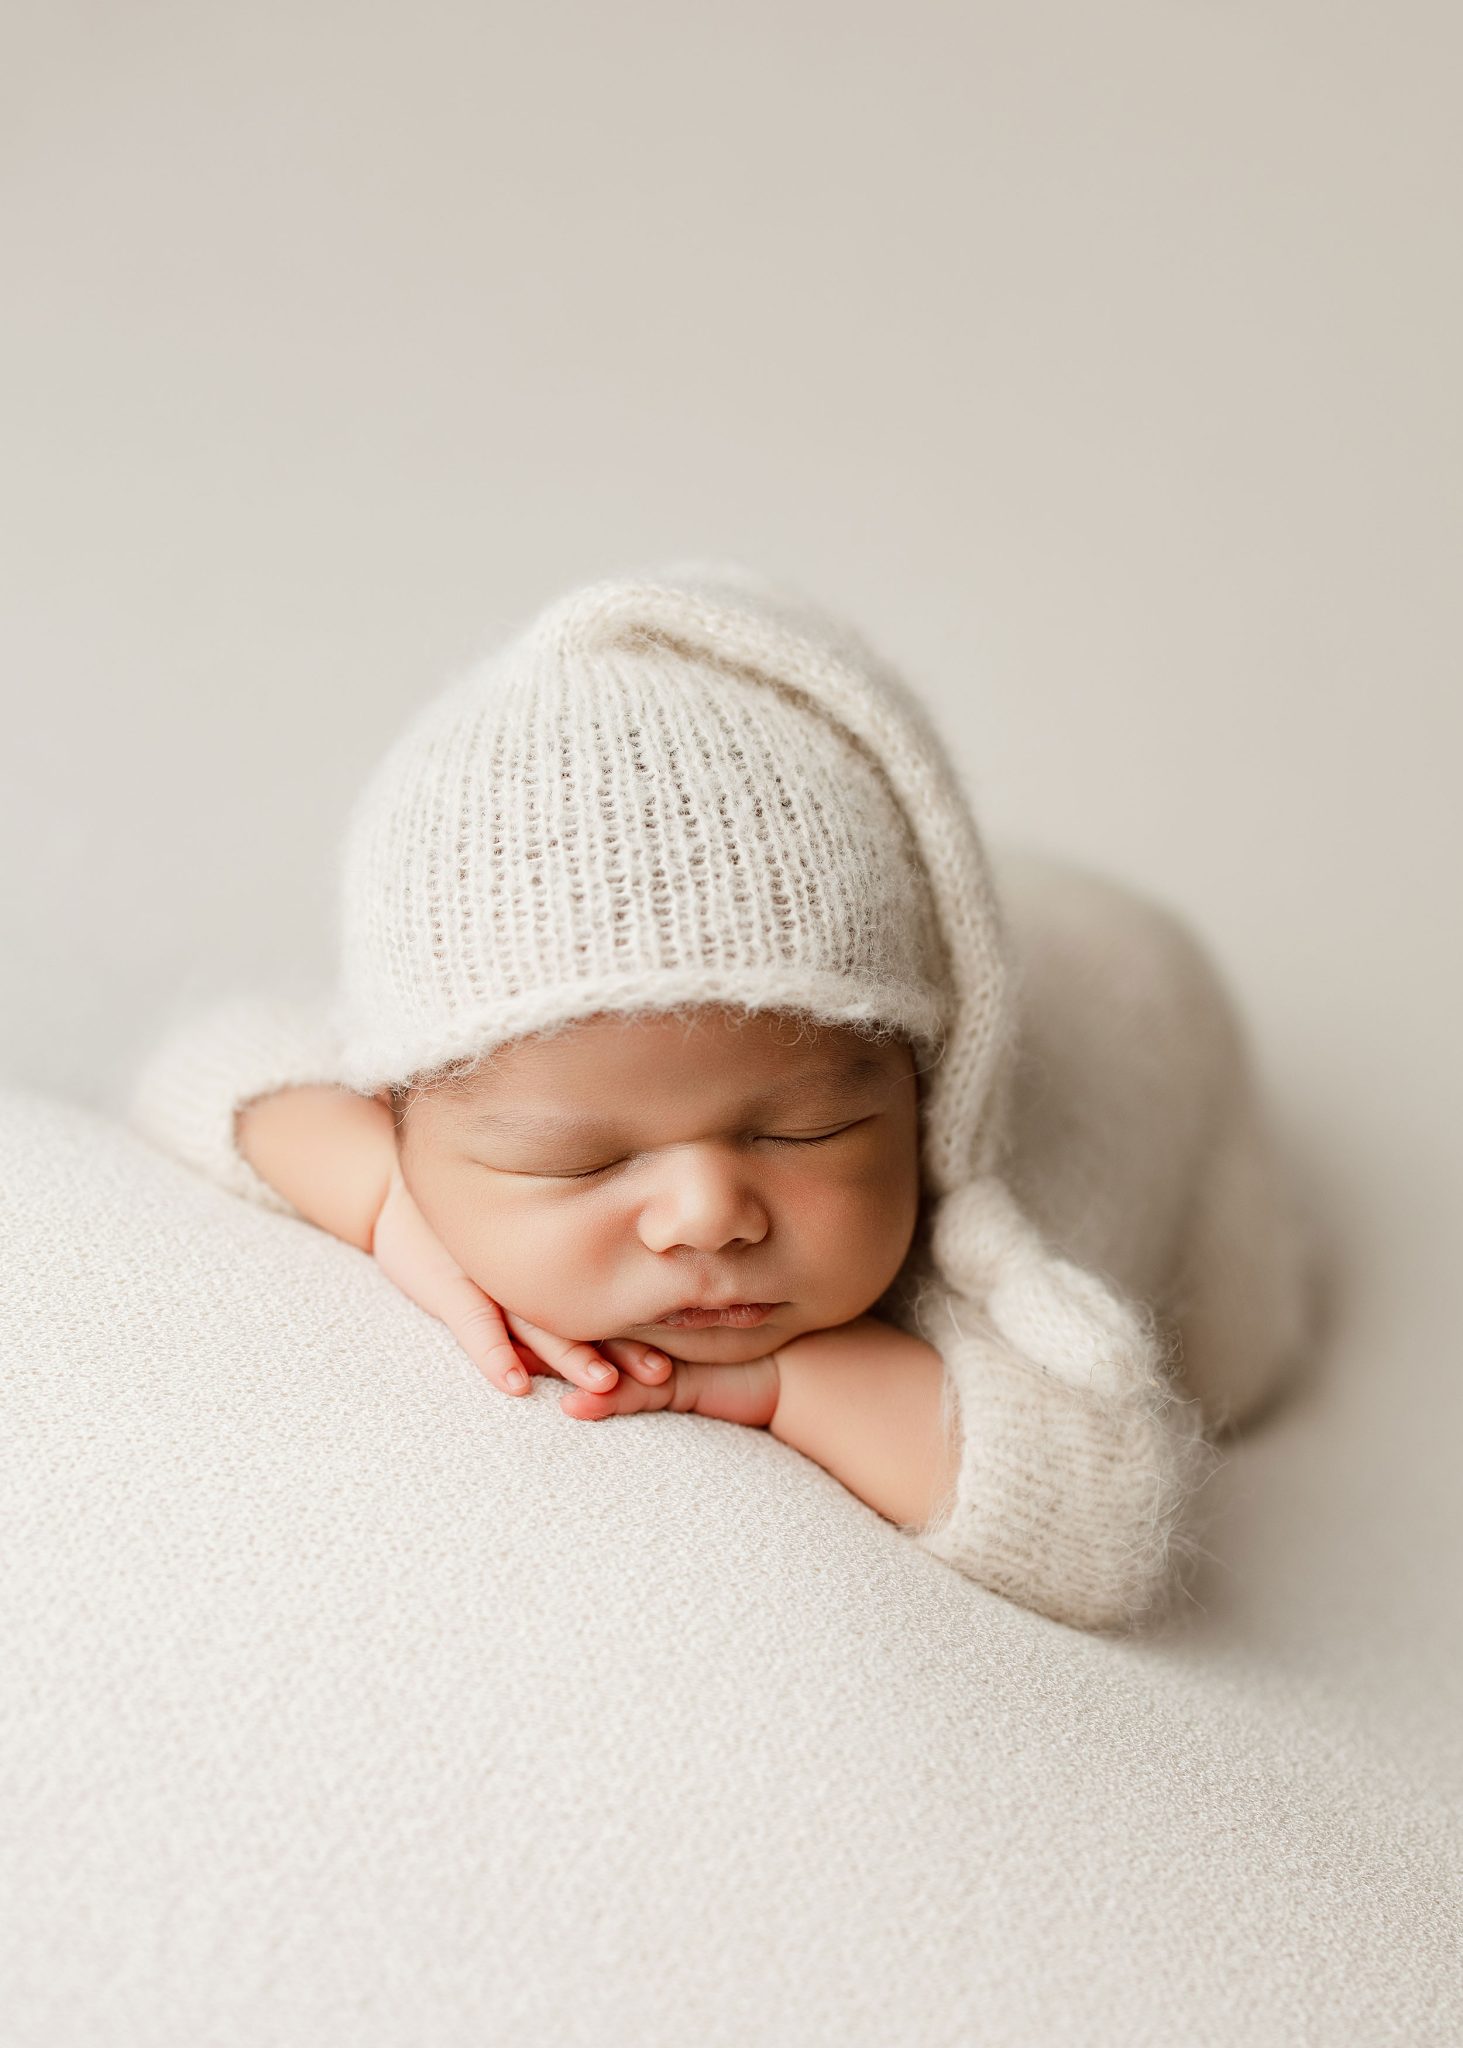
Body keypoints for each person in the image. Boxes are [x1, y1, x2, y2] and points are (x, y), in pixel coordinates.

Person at [125, 560, 1320, 1634]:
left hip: (1138, 993)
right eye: (582, 1160)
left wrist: (784, 1381)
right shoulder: (419, 1098)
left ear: (916, 1089)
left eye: (804, 1127)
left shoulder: (950, 1255)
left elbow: (1105, 1517)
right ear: (394, 1101)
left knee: (1233, 1353)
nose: (708, 1212)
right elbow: (203, 1063)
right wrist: (384, 1197)